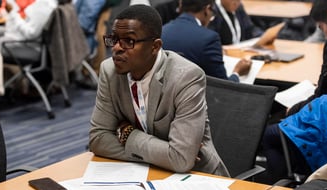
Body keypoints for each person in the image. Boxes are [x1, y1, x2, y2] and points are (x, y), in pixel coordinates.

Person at [88, 4, 230, 176]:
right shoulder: (109, 71)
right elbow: (98, 140)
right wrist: (164, 154)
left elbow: (181, 160)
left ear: (155, 47)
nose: (116, 48)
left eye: (128, 41)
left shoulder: (186, 77)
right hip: (140, 174)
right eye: (114, 39)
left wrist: (127, 134)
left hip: (196, 177)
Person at [262, 0, 327, 183]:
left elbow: (326, 96)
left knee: (269, 134)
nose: (324, 34)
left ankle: (286, 185)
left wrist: (292, 109)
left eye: (321, 27)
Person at [161, 0, 251, 82]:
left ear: (181, 5)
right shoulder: (209, 38)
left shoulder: (162, 30)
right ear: (207, 10)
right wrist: (237, 72)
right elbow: (224, 87)